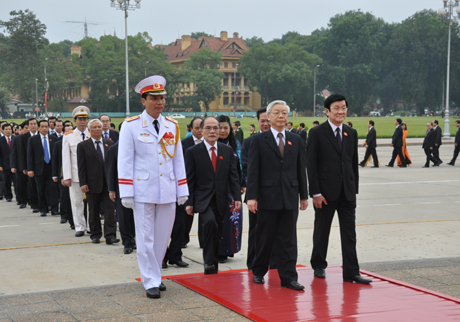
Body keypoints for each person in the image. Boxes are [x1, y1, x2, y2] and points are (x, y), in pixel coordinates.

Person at [118, 75, 189, 299]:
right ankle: (149, 280)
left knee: (161, 238)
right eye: (155, 98)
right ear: (143, 100)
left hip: (167, 189)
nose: (160, 102)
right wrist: (126, 192)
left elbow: (178, 160)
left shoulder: (172, 125)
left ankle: (156, 275)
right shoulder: (131, 126)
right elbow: (125, 161)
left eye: (162, 98)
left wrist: (182, 189)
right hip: (143, 190)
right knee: (145, 237)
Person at [307, 94, 371, 285]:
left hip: (347, 193)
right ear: (327, 111)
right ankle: (318, 265)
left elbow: (352, 165)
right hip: (325, 193)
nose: (341, 111)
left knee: (350, 234)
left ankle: (351, 272)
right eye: (337, 108)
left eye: (343, 108)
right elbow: (311, 165)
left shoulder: (350, 133)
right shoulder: (317, 132)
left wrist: (354, 190)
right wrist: (315, 193)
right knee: (322, 230)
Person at [247, 100, 308, 291]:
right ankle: (258, 271)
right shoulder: (258, 140)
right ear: (269, 116)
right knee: (264, 237)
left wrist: (304, 196)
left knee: (289, 239)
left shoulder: (296, 139)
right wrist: (252, 196)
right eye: (276, 113)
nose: (280, 116)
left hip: (289, 196)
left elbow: (300, 169)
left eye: (284, 113)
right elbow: (253, 170)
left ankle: (289, 277)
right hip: (267, 196)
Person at [185, 117, 241, 275]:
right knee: (209, 223)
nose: (212, 131)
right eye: (208, 128)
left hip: (221, 199)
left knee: (218, 231)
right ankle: (209, 262)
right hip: (203, 199)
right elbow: (189, 179)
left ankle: (213, 263)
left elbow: (233, 176)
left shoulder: (227, 151)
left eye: (215, 128)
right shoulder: (193, 152)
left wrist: (237, 198)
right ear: (201, 131)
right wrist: (189, 202)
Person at [77, 119, 118, 244]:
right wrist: (83, 183)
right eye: (94, 127)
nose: (97, 129)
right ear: (89, 130)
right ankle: (95, 234)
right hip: (92, 183)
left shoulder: (109, 144)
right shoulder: (83, 146)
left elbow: (113, 165)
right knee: (93, 210)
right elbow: (81, 166)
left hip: (108, 183)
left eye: (99, 127)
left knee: (110, 210)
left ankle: (110, 236)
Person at [241, 107, 271, 271]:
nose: (266, 123)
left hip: (276, 194)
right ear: (258, 122)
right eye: (263, 121)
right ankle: (253, 263)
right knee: (256, 230)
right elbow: (247, 167)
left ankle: (274, 263)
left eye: (268, 120)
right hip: (257, 194)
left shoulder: (282, 139)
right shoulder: (250, 141)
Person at [216, 115, 245, 263]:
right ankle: (220, 250)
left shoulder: (235, 145)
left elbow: (241, 166)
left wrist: (243, 183)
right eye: (219, 127)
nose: (222, 131)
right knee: (220, 220)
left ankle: (231, 248)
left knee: (233, 219)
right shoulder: (212, 145)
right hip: (217, 188)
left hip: (233, 188)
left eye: (226, 128)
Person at [107, 122, 136, 254]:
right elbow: (111, 171)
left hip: (140, 187)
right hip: (121, 188)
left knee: (138, 217)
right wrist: (111, 189)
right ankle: (127, 242)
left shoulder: (140, 147)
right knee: (124, 217)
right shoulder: (114, 149)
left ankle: (136, 240)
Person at [62, 106, 91, 237]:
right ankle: (80, 226)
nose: (83, 121)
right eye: (80, 119)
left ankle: (91, 225)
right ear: (75, 121)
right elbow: (66, 158)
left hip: (91, 175)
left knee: (92, 202)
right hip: (75, 174)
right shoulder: (68, 136)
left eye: (85, 119)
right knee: (76, 201)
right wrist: (67, 176)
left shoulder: (92, 134)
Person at [27, 119, 59, 217]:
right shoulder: (33, 139)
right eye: (42, 126)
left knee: (53, 189)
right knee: (41, 189)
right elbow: (29, 155)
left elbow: (57, 154)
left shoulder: (53, 138)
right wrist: (30, 169)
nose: (44, 128)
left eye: (46, 126)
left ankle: (54, 209)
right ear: (38, 127)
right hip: (39, 168)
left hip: (51, 167)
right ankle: (43, 209)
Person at [181, 117, 204, 249]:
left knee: (205, 214)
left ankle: (203, 240)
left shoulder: (211, 143)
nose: (200, 130)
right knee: (187, 213)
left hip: (204, 185)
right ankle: (183, 239)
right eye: (196, 128)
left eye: (202, 127)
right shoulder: (184, 144)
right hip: (188, 183)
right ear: (191, 129)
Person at [52, 122, 74, 226]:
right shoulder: (58, 144)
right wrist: (56, 175)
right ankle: (64, 216)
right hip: (63, 175)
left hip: (75, 174)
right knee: (64, 196)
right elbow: (55, 161)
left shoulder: (77, 142)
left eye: (71, 131)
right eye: (67, 131)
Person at [20, 118, 40, 212]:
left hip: (41, 165)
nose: (33, 125)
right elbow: (23, 153)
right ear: (28, 126)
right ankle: (34, 205)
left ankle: (44, 204)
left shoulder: (42, 135)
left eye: (35, 124)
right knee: (32, 186)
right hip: (30, 165)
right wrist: (25, 167)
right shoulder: (24, 137)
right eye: (31, 124)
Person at [10, 121, 29, 209]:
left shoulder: (34, 137)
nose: (28, 129)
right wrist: (13, 166)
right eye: (26, 128)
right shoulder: (17, 138)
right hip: (20, 165)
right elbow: (13, 153)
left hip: (31, 165)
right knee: (21, 184)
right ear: (21, 129)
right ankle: (22, 201)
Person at [0, 123, 13, 202]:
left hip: (15, 164)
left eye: (9, 129)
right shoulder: (1, 140)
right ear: (3, 130)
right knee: (6, 181)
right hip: (4, 164)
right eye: (6, 129)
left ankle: (19, 198)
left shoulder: (15, 139)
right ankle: (8, 196)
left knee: (17, 182)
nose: (8, 131)